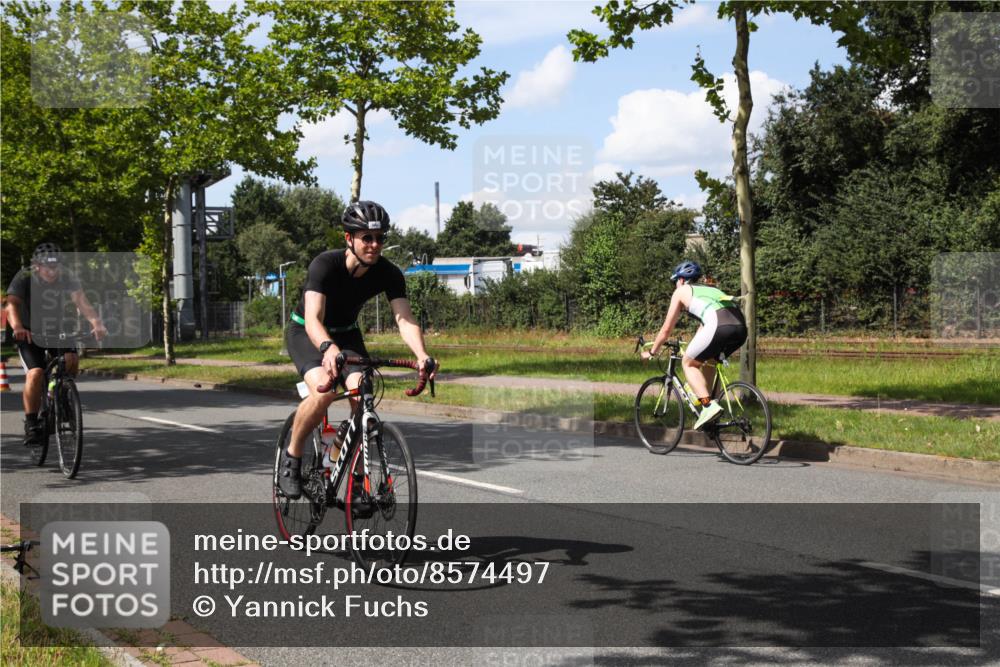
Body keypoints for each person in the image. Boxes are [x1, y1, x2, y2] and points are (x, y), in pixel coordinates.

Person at [279, 200, 437, 499]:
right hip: (307, 332)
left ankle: (348, 471)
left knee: (362, 396)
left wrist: (421, 355)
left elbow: (404, 318)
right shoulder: (325, 264)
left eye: (379, 238)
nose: (375, 245)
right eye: (367, 237)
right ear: (349, 239)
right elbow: (313, 318)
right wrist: (327, 348)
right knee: (323, 393)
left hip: (348, 334)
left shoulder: (388, 273)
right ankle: (293, 456)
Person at [5, 243, 108, 446]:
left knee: (71, 360)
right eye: (47, 267)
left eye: (56, 266)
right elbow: (11, 305)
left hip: (57, 329)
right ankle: (32, 423)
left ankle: (63, 396)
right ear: (36, 266)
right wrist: (17, 326)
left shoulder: (67, 277)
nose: (52, 271)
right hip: (29, 333)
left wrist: (96, 323)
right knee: (35, 373)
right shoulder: (24, 278)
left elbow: (81, 301)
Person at [641, 260, 747, 430]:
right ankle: (713, 411)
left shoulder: (681, 291)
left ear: (681, 280)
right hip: (740, 327)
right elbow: (705, 327)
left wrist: (652, 352)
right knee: (710, 361)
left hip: (718, 325)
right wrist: (692, 349)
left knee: (688, 363)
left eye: (675, 282)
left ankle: (707, 406)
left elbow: (666, 329)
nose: (675, 286)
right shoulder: (712, 289)